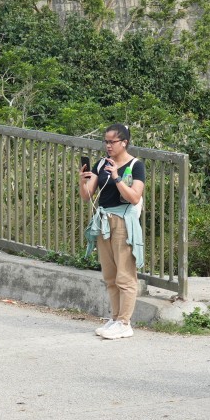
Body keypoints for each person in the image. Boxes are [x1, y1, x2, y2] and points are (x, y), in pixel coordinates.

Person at [80, 123, 145, 340]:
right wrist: (84, 181)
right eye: (106, 142)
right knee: (110, 275)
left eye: (112, 142)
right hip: (103, 221)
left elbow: (134, 197)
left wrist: (117, 177)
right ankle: (115, 318)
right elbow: (87, 195)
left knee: (125, 275)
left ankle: (125, 322)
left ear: (124, 142)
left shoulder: (135, 166)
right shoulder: (101, 164)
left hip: (123, 221)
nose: (108, 146)